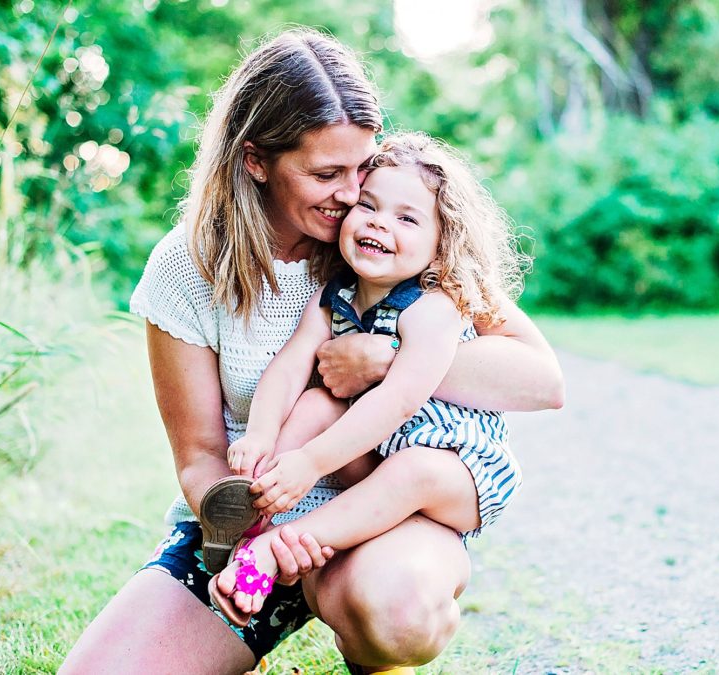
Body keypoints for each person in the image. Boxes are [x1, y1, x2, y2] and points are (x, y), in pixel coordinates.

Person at [59, 28, 563, 675]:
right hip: (251, 533)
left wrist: (379, 358)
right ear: (256, 160)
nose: (356, 195)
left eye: (364, 166)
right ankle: (247, 610)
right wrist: (252, 532)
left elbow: (542, 380)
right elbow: (201, 455)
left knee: (396, 605)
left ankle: (374, 648)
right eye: (328, 174)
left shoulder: (397, 247)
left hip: (378, 521)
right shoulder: (186, 266)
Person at [206, 131, 531, 627]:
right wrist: (261, 436)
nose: (380, 223)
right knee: (315, 405)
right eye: (369, 206)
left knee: (414, 470)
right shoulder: (339, 294)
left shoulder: (435, 306)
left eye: (407, 218)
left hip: (458, 471)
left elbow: (399, 401)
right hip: (382, 459)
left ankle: (278, 547)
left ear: (442, 244)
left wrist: (309, 463)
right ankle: (255, 521)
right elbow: (291, 366)